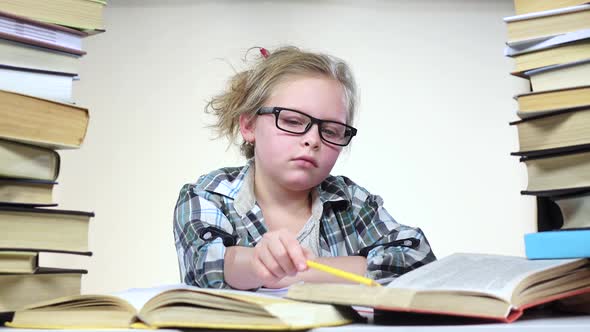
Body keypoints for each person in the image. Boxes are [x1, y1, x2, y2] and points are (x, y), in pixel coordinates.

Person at [173, 46, 436, 290]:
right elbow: (204, 264)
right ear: (249, 125)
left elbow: (418, 259)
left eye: (331, 130)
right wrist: (254, 262)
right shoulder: (210, 195)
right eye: (292, 120)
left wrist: (291, 272)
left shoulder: (352, 202)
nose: (313, 139)